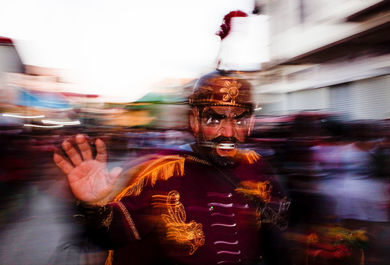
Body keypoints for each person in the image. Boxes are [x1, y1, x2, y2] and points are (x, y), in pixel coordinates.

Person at [53, 70, 290, 265]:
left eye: (239, 119)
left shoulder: (257, 166)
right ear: (194, 121)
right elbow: (114, 233)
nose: (228, 132)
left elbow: (278, 239)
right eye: (214, 119)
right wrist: (93, 206)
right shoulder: (160, 173)